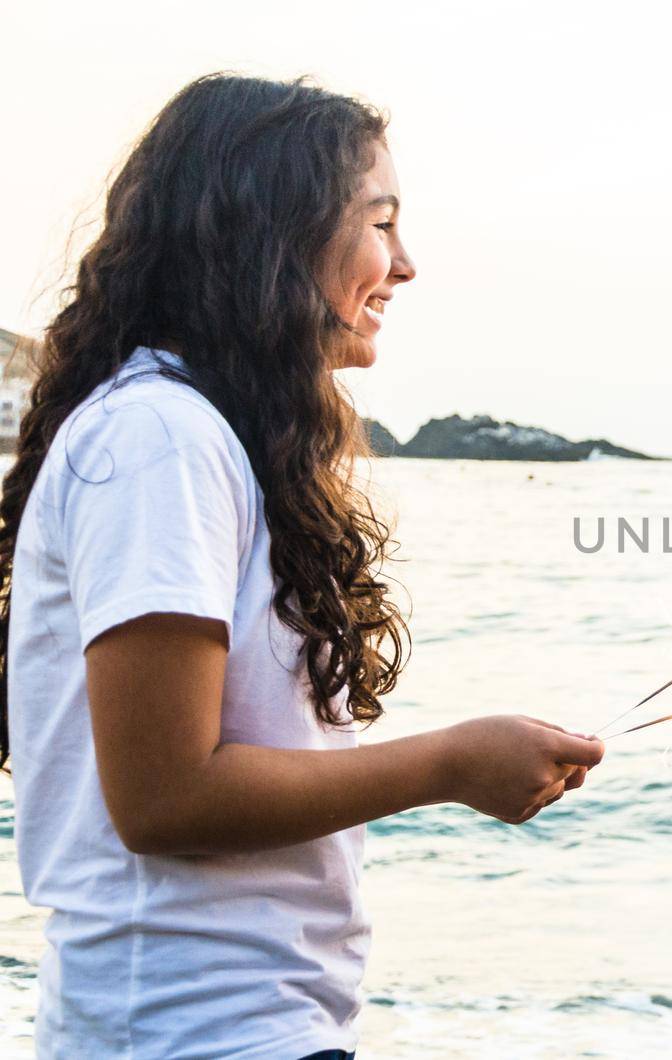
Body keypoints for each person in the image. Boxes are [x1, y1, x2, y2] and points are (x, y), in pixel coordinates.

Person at [0, 73, 604, 1059]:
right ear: (273, 231)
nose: (404, 264)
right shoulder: (162, 438)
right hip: (186, 1032)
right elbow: (163, 797)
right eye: (380, 222)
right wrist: (451, 764)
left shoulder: (204, 435)